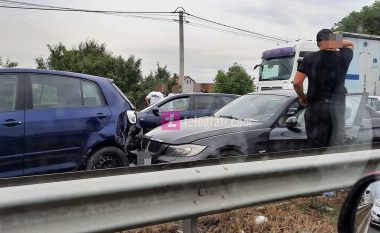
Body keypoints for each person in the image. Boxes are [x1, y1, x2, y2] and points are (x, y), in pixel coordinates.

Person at [293, 29, 354, 148]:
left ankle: (319, 165)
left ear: (318, 43)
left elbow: (297, 82)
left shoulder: (309, 58)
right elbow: (350, 44)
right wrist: (334, 40)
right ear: (332, 41)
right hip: (338, 107)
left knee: (317, 148)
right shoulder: (344, 56)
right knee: (336, 146)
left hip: (316, 108)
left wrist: (301, 97)